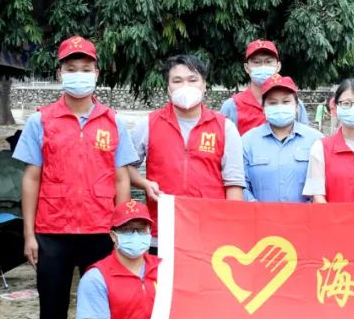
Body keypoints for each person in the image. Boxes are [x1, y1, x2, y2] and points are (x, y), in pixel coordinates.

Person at [14, 36, 138, 319]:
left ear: (96, 74)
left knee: (107, 317)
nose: (79, 75)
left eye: (86, 69)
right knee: (51, 314)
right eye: (71, 69)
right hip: (53, 231)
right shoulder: (42, 120)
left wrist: (120, 230)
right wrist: (29, 234)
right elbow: (31, 178)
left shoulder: (112, 121)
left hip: (101, 233)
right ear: (59, 74)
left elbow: (122, 179)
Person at [129, 55, 244, 241]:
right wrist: (144, 184)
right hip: (162, 229)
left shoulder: (225, 127)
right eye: (177, 81)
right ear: (168, 87)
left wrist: (231, 230)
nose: (185, 86)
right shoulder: (148, 124)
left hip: (210, 230)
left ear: (204, 85)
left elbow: (234, 183)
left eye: (192, 80)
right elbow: (126, 169)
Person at [242, 75, 323, 202]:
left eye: (286, 102)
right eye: (273, 103)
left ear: (296, 106)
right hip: (259, 214)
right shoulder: (247, 141)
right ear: (263, 108)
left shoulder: (316, 140)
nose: (280, 107)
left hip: (305, 214)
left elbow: (323, 186)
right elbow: (241, 185)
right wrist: (255, 207)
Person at [220, 39, 309, 135]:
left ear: (278, 66)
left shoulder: (294, 105)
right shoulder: (232, 106)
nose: (263, 66)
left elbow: (305, 137)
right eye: (257, 62)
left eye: (268, 61)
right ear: (247, 68)